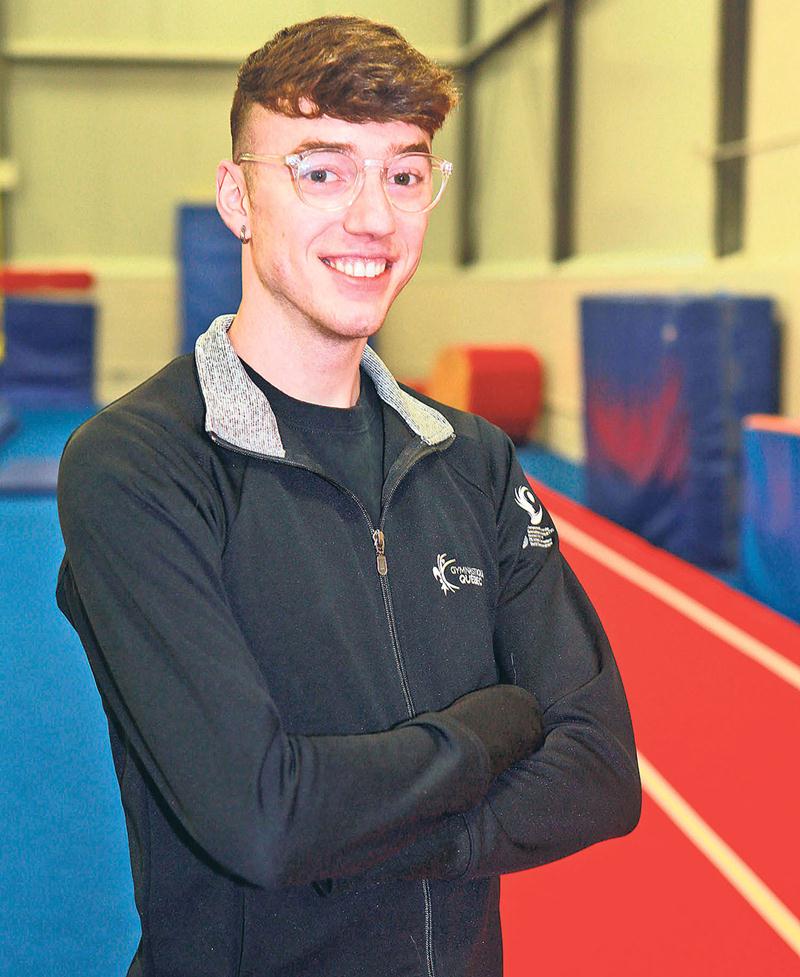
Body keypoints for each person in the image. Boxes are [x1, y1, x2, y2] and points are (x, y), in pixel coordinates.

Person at [56, 15, 640, 977]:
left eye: (404, 175)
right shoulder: (139, 464)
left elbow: (600, 776)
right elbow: (264, 819)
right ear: (237, 197)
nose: (373, 218)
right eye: (321, 171)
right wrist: (491, 731)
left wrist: (381, 840)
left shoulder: (473, 458)